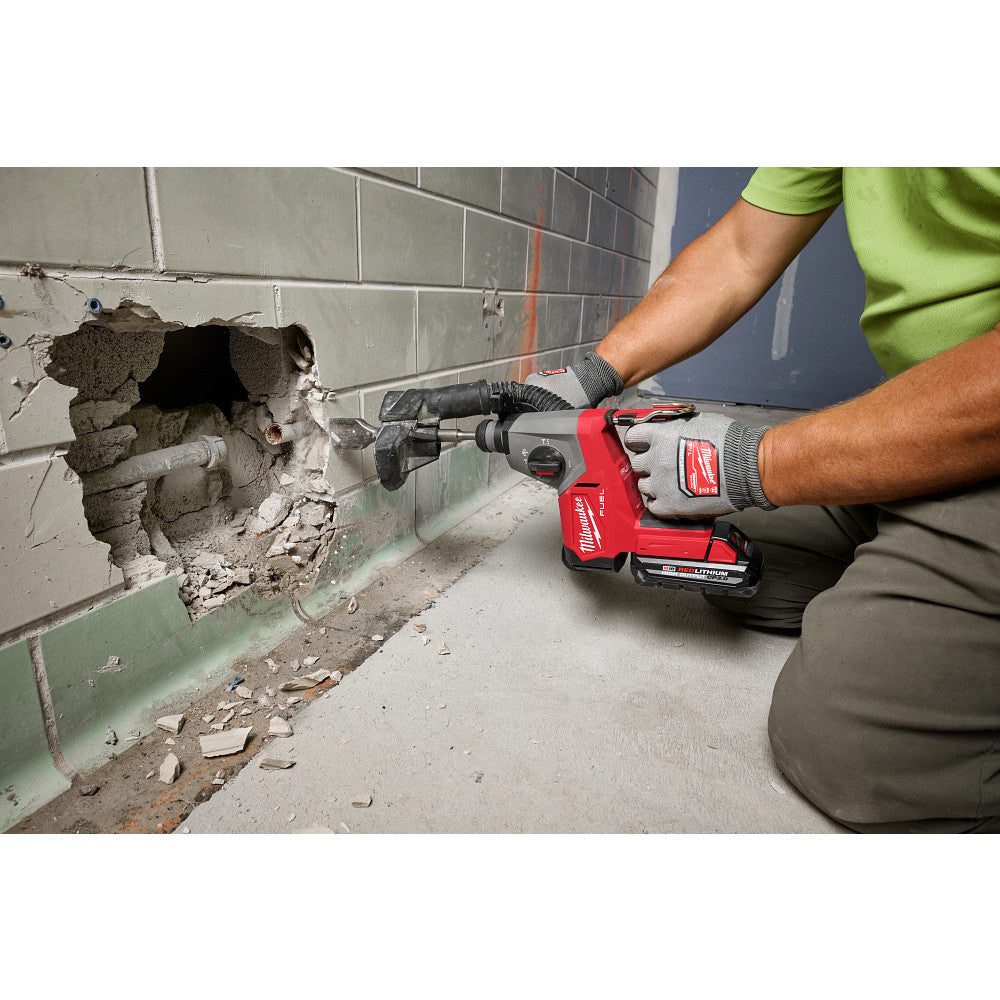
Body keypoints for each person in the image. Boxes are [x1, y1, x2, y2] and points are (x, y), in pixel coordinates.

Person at [528, 168, 1000, 833]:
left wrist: (752, 462)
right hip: (931, 424)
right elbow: (741, 249)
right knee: (730, 560)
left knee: (852, 747)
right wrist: (592, 376)